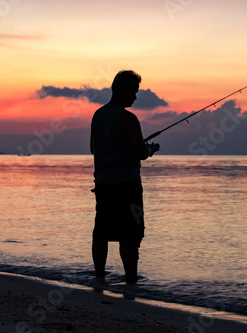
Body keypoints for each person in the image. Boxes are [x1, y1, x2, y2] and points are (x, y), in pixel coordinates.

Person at [90, 70, 159, 284]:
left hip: (103, 185)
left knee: (101, 231)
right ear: (123, 89)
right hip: (128, 186)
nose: (135, 97)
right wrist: (151, 149)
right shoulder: (128, 118)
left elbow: (94, 148)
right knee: (131, 232)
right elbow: (140, 152)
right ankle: (131, 281)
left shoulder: (98, 115)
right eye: (134, 92)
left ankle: (99, 277)